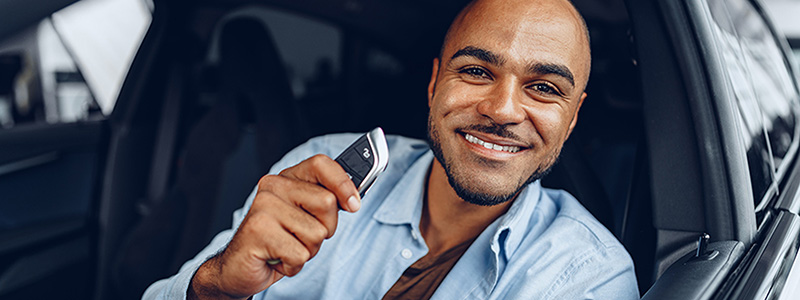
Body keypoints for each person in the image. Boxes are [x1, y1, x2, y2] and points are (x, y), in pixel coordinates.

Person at [144, 0, 639, 298]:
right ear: (432, 85)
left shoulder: (589, 275)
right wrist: (217, 289)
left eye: (545, 88)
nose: (503, 110)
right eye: (475, 71)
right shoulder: (321, 166)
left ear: (572, 118)